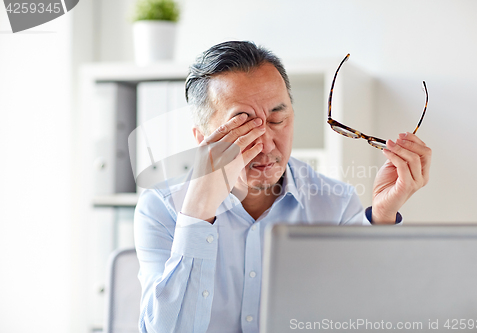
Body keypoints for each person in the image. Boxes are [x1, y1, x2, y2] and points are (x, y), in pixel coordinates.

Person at [134, 41, 432, 333]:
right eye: (243, 126)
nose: (266, 144)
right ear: (203, 140)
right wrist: (197, 216)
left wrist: (382, 216)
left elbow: (368, 314)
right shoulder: (160, 208)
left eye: (277, 119)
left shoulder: (336, 204)